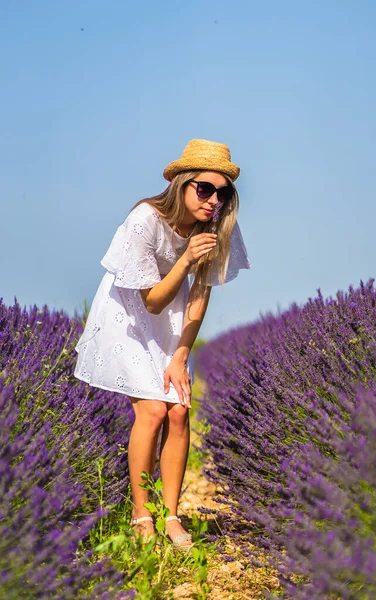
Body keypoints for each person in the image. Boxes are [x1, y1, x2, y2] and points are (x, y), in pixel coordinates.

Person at [74, 138, 250, 550]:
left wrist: (182, 353)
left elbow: (200, 294)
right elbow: (150, 301)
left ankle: (172, 515)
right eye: (204, 188)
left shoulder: (217, 224)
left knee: (179, 411)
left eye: (222, 193)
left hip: (173, 321)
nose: (213, 200)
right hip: (130, 315)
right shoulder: (145, 220)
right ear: (183, 184)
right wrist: (187, 258)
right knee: (153, 411)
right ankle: (141, 514)